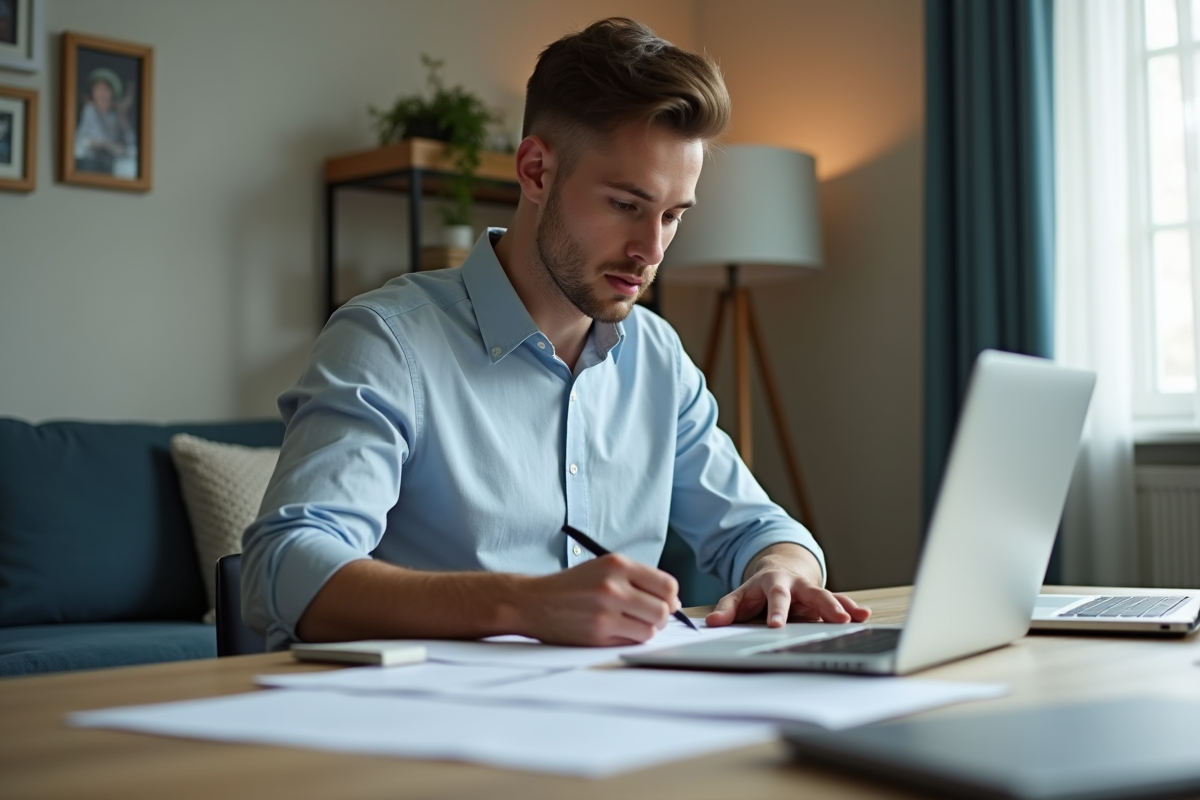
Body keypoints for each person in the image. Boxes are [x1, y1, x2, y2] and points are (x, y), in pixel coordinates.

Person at [242, 17, 870, 651]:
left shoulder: (656, 357)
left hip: (622, 721)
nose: (650, 250)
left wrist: (778, 573)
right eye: (626, 205)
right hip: (432, 730)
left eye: (672, 215)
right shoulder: (386, 343)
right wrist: (522, 603)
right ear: (537, 171)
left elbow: (760, 529)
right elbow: (285, 569)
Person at [74, 67, 135, 175]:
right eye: (97, 89)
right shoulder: (90, 110)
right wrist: (107, 145)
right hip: (93, 162)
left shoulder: (116, 115)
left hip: (114, 163)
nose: (102, 93)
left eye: (106, 89)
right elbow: (82, 140)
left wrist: (122, 115)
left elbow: (130, 141)